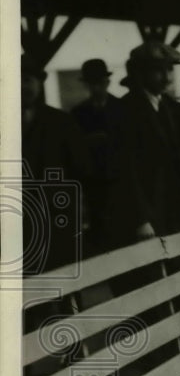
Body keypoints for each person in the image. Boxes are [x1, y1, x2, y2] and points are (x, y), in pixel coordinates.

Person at [105, 41, 180, 248]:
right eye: (158, 70)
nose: (167, 77)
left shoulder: (174, 111)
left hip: (175, 212)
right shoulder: (122, 111)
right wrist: (140, 219)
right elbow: (123, 171)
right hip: (144, 221)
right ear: (140, 74)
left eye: (170, 69)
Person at [21, 54, 92, 273]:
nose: (21, 87)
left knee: (63, 280)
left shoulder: (61, 121)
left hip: (58, 221)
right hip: (18, 224)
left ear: (39, 82)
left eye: (27, 80)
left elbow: (82, 169)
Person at [70, 58, 122, 253]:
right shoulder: (78, 113)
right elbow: (74, 149)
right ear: (86, 84)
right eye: (92, 84)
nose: (96, 88)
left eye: (100, 83)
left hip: (121, 181)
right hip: (93, 183)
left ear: (107, 82)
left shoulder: (122, 108)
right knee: (99, 231)